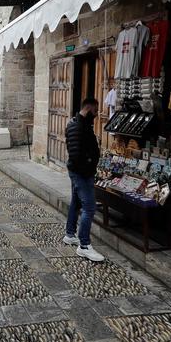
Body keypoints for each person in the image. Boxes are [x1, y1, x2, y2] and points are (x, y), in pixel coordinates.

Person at [63, 98, 105, 262]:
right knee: (89, 207)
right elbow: (76, 154)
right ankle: (84, 245)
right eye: (95, 112)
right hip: (81, 174)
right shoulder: (79, 126)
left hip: (78, 172)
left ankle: (70, 234)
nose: (95, 115)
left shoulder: (78, 124)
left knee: (76, 203)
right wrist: (88, 167)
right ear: (88, 109)